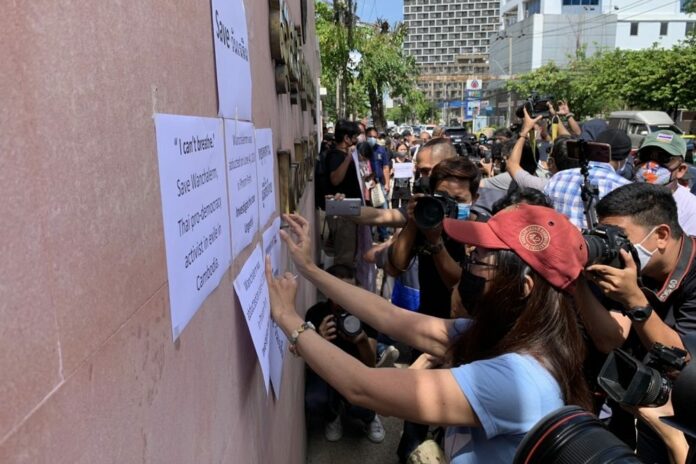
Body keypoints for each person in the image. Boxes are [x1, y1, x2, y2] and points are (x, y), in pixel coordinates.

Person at [267, 205, 592, 463]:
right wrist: (309, 269)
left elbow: (362, 387)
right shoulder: (506, 335)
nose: (468, 263)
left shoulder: (518, 380)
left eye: (481, 258)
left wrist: (288, 318)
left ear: (523, 288)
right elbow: (389, 316)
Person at [574, 182, 696, 462]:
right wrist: (578, 282)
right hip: (636, 401)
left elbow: (686, 363)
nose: (611, 245)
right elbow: (609, 340)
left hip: (684, 416)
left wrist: (635, 301)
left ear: (661, 235)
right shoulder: (624, 266)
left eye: (620, 237)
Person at [303, 264, 385, 443]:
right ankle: (332, 417)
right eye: (339, 291)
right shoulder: (316, 314)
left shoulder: (366, 315)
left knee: (362, 405)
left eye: (350, 290)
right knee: (314, 400)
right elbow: (308, 365)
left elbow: (371, 364)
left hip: (356, 371)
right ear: (328, 291)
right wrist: (318, 340)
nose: (346, 297)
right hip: (326, 371)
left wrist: (362, 341)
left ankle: (370, 417)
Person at [544, 128, 631, 229]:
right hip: (595, 244)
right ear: (624, 159)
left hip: (558, 242)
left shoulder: (558, 177)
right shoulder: (624, 188)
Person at [633, 130, 696, 236]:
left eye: (664, 158)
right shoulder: (623, 195)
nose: (651, 165)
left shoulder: (691, 208)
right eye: (646, 156)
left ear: (681, 170)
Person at [325, 119, 362, 267]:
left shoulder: (346, 155)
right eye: (354, 137)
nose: (356, 140)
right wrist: (348, 158)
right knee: (344, 256)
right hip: (342, 214)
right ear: (346, 138)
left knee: (351, 251)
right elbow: (335, 179)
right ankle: (342, 282)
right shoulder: (335, 156)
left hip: (350, 211)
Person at [390, 142, 414, 209]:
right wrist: (391, 172)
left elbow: (411, 176)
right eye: (401, 149)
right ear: (397, 150)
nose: (403, 151)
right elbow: (388, 174)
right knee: (394, 208)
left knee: (405, 208)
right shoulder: (392, 161)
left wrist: (412, 171)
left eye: (405, 149)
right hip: (395, 188)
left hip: (406, 188)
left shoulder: (409, 162)